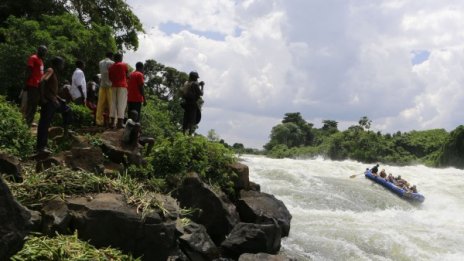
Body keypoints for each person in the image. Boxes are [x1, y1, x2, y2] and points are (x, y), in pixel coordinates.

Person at [36, 56, 72, 155]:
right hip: (48, 102)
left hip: (53, 101)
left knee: (67, 110)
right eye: (62, 63)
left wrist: (60, 99)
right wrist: (43, 98)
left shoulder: (54, 73)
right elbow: (42, 81)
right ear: (58, 64)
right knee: (44, 124)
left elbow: (50, 89)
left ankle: (66, 133)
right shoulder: (50, 70)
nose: (63, 65)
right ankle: (41, 147)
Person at [25, 45, 47, 127]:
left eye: (45, 51)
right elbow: (29, 71)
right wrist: (26, 83)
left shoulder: (41, 60)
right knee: (31, 104)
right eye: (43, 51)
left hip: (38, 86)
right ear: (39, 50)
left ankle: (30, 121)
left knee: (35, 104)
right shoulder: (33, 58)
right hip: (32, 84)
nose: (45, 53)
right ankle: (26, 122)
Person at [108, 52, 129, 128]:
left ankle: (112, 123)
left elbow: (110, 78)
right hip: (122, 86)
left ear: (114, 58)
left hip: (113, 86)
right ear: (121, 58)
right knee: (121, 104)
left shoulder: (111, 67)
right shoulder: (124, 65)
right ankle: (120, 123)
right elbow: (127, 75)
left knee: (113, 103)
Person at [96, 52, 114, 127]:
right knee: (111, 104)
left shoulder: (100, 62)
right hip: (110, 85)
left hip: (102, 85)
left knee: (100, 104)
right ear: (111, 56)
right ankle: (111, 121)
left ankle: (99, 121)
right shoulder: (112, 63)